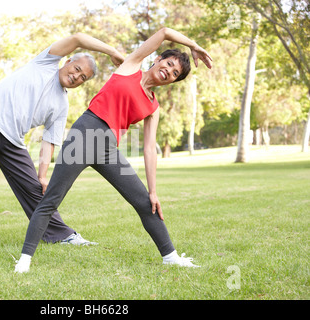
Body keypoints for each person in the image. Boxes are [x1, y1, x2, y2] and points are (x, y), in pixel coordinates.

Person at [14, 27, 213, 272]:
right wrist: (193, 45)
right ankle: (24, 260)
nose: (168, 71)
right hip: (84, 134)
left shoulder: (153, 106)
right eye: (169, 63)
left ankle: (170, 256)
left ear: (173, 80)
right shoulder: (131, 65)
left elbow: (150, 150)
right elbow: (163, 32)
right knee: (52, 199)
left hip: (108, 148)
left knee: (144, 202)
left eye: (174, 73)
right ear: (158, 59)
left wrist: (153, 191)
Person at [0, 33, 125, 251]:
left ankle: (61, 234)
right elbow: (78, 38)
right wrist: (113, 52)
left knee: (35, 188)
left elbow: (49, 141)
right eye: (77, 69)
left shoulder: (61, 105)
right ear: (68, 61)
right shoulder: (46, 62)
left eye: (83, 78)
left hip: (13, 140)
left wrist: (42, 176)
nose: (76, 77)